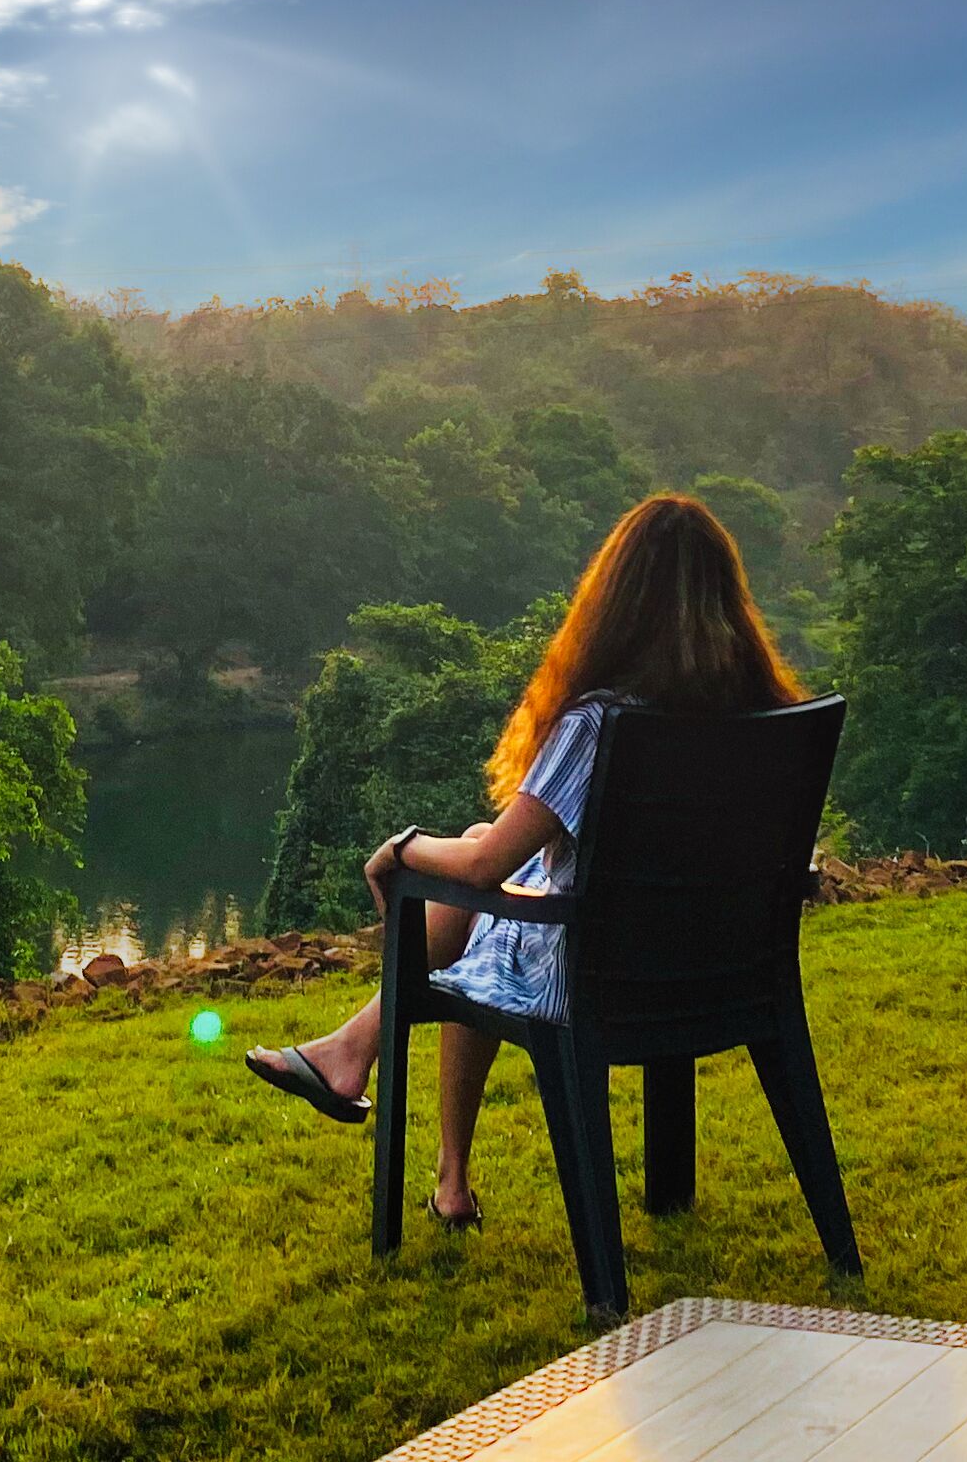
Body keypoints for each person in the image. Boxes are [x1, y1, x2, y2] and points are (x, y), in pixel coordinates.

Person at [243, 491, 805, 1228]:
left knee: (474, 899)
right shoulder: (770, 717)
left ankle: (390, 1101)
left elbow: (484, 871)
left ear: (614, 600)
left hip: (598, 982)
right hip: (722, 972)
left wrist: (401, 849)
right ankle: (382, 1093)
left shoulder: (601, 724)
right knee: (484, 853)